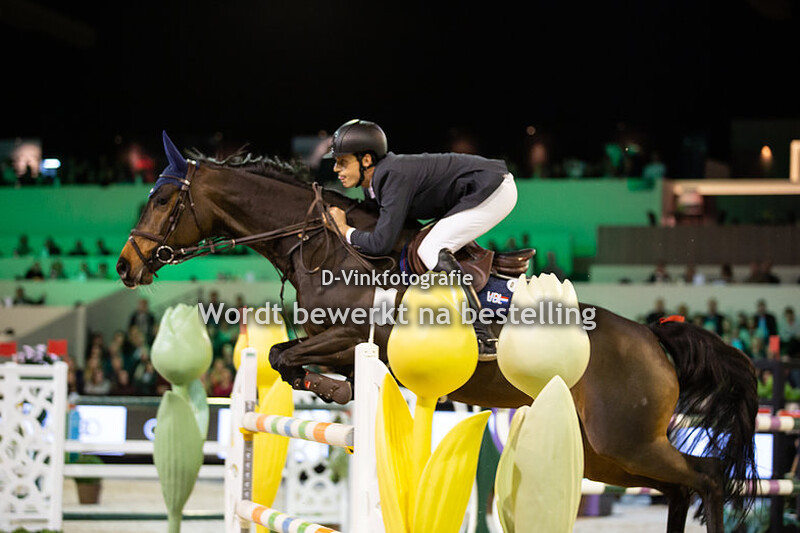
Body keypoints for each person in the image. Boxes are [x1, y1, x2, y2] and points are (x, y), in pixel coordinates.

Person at [325, 119, 517, 354]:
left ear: (366, 160)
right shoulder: (373, 185)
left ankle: (481, 333)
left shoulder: (392, 176)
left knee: (430, 249)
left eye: (342, 162)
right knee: (427, 244)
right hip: (476, 189)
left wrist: (344, 230)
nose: (336, 169)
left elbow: (380, 244)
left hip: (493, 189)